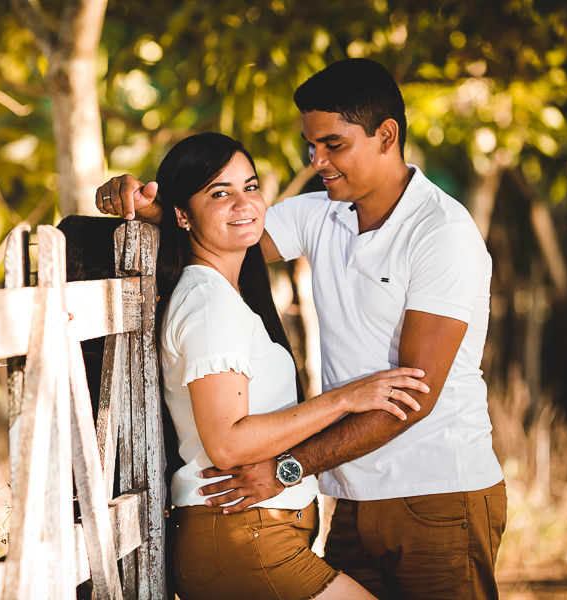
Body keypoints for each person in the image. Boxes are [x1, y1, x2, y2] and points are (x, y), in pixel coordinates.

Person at [96, 58, 506, 600]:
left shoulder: (441, 233)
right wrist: (140, 203)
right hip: (352, 494)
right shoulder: (323, 214)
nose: (318, 162)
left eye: (333, 145)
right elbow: (227, 236)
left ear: (387, 136)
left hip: (437, 492)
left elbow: (416, 395)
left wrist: (289, 468)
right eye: (312, 147)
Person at [139, 130, 428, 600]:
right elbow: (229, 443)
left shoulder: (224, 293)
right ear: (181, 214)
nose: (244, 203)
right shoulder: (208, 302)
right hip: (243, 537)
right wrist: (344, 398)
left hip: (253, 534)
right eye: (219, 192)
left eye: (250, 187)